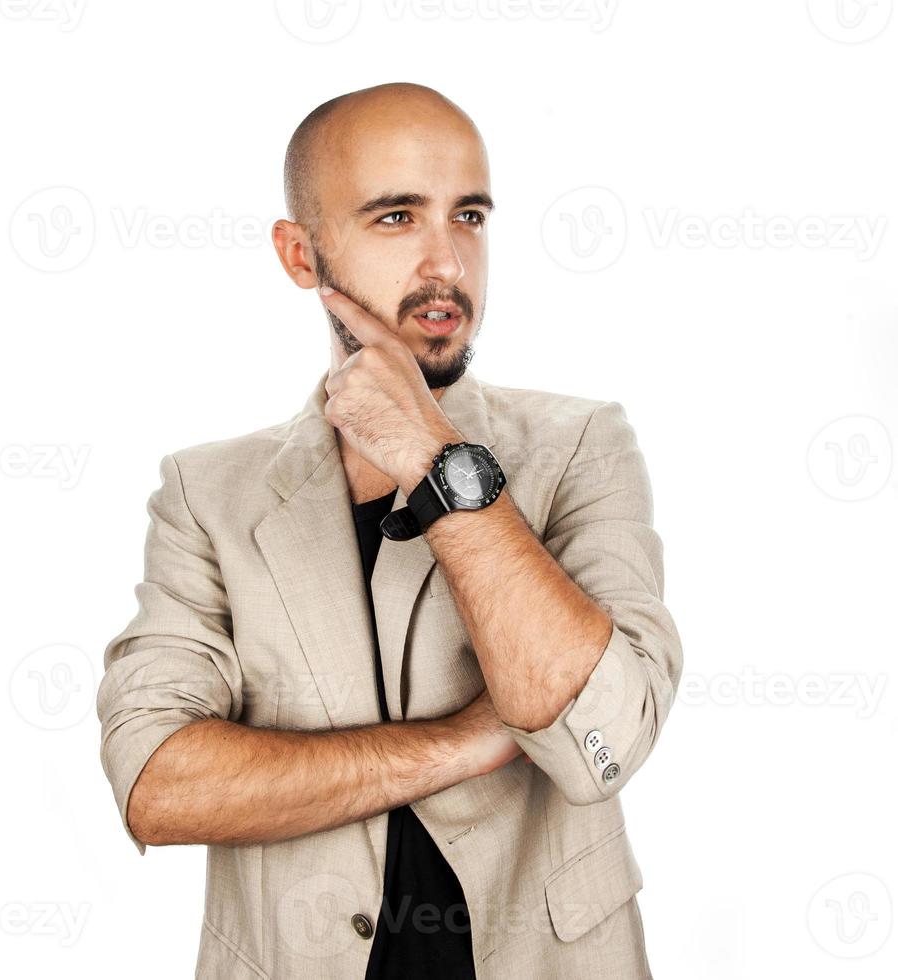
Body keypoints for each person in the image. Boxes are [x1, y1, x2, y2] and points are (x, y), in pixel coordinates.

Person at [96, 82, 683, 980]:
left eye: (471, 215)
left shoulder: (582, 445)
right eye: (397, 217)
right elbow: (157, 785)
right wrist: (465, 741)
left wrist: (432, 452)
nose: (447, 261)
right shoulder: (206, 491)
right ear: (301, 253)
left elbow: (601, 742)